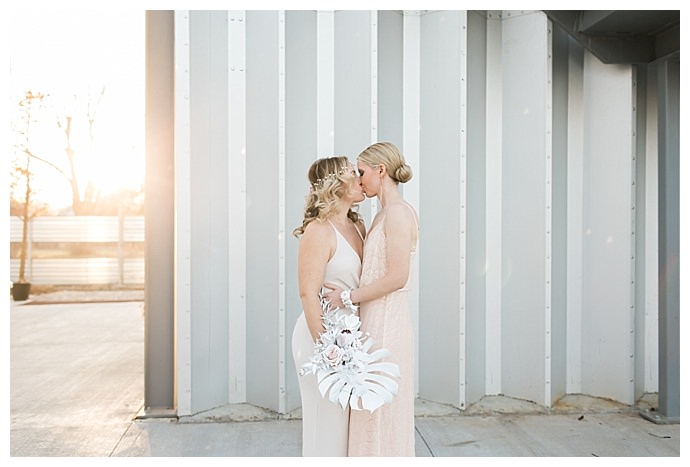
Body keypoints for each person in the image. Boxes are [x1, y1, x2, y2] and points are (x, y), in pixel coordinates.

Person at [324, 142, 418, 456]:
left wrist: (348, 296)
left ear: (381, 170)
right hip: (372, 321)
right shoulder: (380, 215)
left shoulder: (398, 214)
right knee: (367, 404)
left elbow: (397, 276)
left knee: (381, 405)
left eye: (362, 172)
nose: (358, 179)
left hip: (389, 323)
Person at [291, 156, 366, 457]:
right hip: (321, 338)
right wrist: (327, 350)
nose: (360, 176)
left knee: (349, 432)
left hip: (354, 339)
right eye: (353, 172)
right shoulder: (319, 231)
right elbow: (308, 294)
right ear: (336, 184)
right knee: (327, 427)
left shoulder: (357, 225)